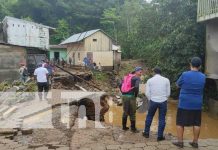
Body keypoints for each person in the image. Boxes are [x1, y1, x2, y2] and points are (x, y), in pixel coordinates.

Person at [173, 57, 206, 148]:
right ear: (200, 66)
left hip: (184, 103)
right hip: (197, 104)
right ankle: (195, 142)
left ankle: (180, 142)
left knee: (180, 123)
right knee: (196, 123)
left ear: (190, 64)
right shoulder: (203, 76)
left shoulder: (185, 74)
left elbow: (177, 84)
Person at [143, 67, 170, 141]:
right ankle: (160, 136)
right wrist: (164, 98)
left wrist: (150, 99)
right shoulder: (166, 80)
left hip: (153, 101)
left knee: (149, 116)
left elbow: (147, 93)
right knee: (162, 118)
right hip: (163, 101)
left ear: (154, 72)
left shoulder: (150, 80)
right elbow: (168, 93)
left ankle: (146, 133)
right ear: (160, 72)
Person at [120, 67, 142, 133]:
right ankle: (133, 129)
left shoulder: (126, 77)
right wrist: (135, 95)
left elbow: (120, 85)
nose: (141, 73)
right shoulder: (137, 78)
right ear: (136, 72)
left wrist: (123, 93)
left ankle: (124, 127)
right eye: (140, 72)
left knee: (125, 111)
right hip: (131, 96)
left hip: (124, 96)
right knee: (132, 112)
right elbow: (136, 87)